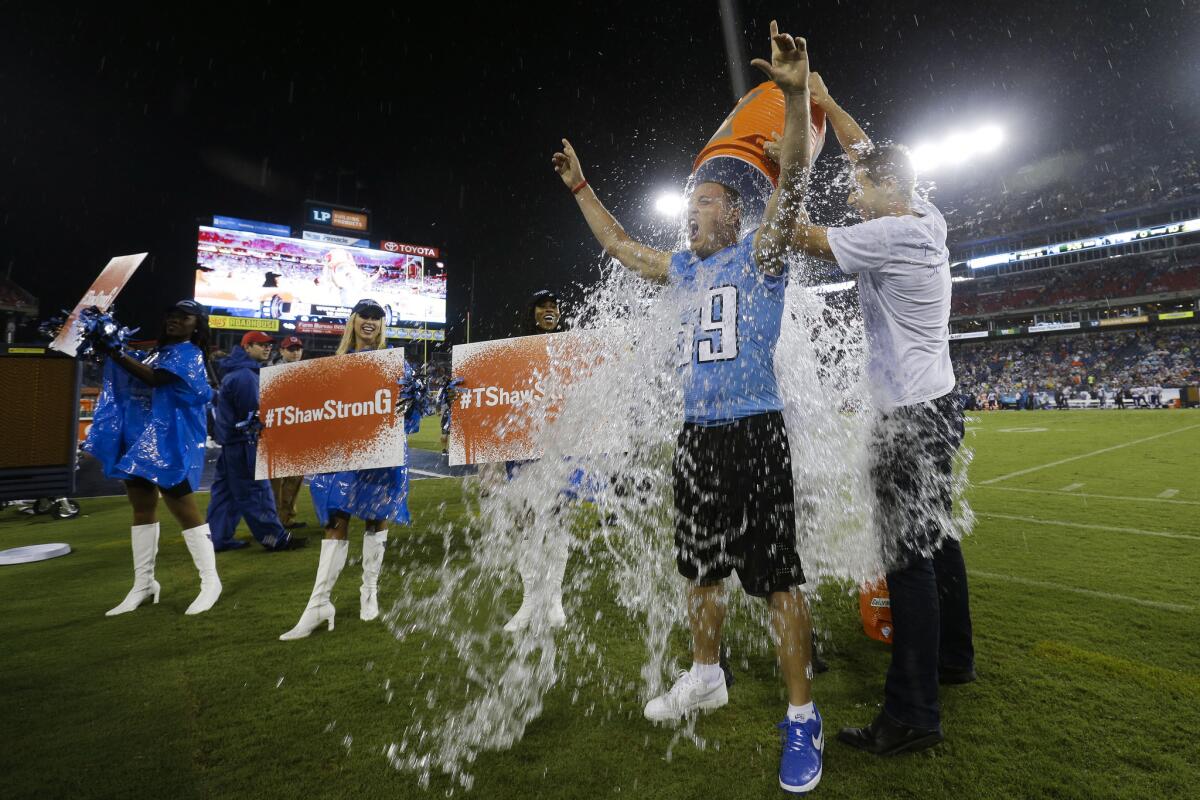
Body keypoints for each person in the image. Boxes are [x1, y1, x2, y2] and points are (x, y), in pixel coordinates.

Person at [553, 21, 822, 793]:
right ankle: (706, 672)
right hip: (698, 437)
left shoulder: (763, 255)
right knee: (698, 569)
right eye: (691, 205)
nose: (691, 214)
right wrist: (581, 187)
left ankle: (802, 717)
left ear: (733, 216)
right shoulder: (680, 269)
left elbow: (795, 184)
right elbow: (616, 246)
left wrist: (798, 97)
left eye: (703, 204)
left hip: (755, 429)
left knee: (777, 577)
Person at [785, 76, 975, 756]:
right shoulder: (926, 216)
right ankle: (956, 658)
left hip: (907, 419)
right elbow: (866, 150)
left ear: (889, 191)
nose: (852, 194)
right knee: (938, 537)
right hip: (940, 405)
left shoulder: (888, 233)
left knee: (907, 561)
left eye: (860, 189)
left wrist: (779, 187)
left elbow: (797, 236)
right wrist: (828, 101)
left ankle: (914, 713)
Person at [279, 299, 421, 640]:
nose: (370, 322)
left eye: (376, 317)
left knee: (376, 517)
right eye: (364, 316)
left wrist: (414, 399)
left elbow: (411, 417)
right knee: (335, 520)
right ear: (353, 320)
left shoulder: (396, 365)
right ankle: (318, 605)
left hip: (381, 452)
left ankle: (368, 591)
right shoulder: (333, 366)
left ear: (382, 325)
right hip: (343, 454)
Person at [84, 300, 223, 616]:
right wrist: (106, 342)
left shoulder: (190, 354)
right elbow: (130, 369)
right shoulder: (155, 351)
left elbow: (156, 379)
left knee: (184, 509)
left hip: (168, 444)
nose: (175, 320)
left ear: (197, 325)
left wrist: (115, 351)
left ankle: (210, 581)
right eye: (171, 315)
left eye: (184, 317)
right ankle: (144, 584)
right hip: (138, 441)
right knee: (141, 509)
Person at [207, 331, 306, 552]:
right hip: (244, 443)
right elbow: (254, 414)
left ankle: (218, 538)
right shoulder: (245, 376)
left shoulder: (238, 372)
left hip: (231, 444)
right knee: (256, 492)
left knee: (225, 494)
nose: (267, 348)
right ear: (246, 347)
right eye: (260, 345)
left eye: (268, 345)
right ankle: (274, 538)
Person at [269, 334, 307, 527]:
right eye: (291, 349)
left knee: (295, 477)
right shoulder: (271, 372)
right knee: (275, 479)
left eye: (298, 349)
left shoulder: (305, 372)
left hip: (298, 432)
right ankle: (274, 519)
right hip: (277, 433)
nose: (296, 353)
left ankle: (286, 518)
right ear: (282, 351)